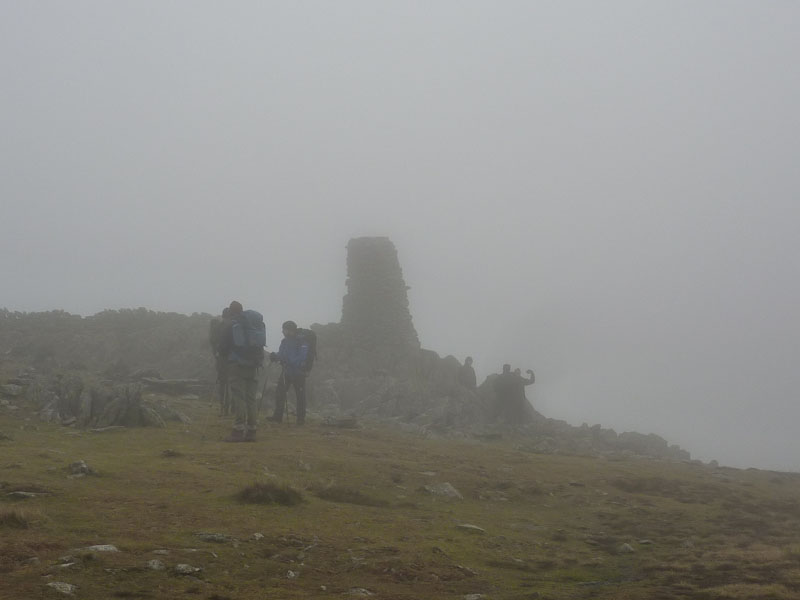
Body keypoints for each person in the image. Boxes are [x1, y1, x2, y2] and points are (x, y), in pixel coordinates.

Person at [219, 301, 264, 442]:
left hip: (237, 365)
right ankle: (252, 431)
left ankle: (238, 430)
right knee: (251, 398)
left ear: (231, 312)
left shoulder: (231, 324)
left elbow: (223, 348)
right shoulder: (255, 324)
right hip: (253, 366)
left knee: (239, 397)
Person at [269, 320, 310, 425]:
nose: (283, 332)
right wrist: (275, 356)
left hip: (298, 373)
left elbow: (302, 357)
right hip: (286, 372)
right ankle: (277, 417)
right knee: (280, 393)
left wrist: (286, 360)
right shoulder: (285, 341)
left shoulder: (302, 341)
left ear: (290, 330)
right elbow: (282, 354)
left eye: (284, 330)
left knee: (300, 396)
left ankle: (300, 420)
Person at [209, 307, 231, 416]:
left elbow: (213, 342)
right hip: (231, 360)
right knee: (230, 384)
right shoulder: (232, 327)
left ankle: (224, 408)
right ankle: (229, 408)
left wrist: (217, 356)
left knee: (223, 383)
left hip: (221, 359)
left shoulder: (218, 328)